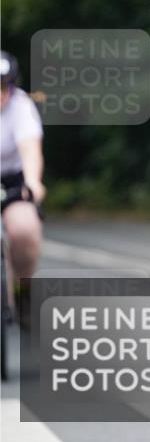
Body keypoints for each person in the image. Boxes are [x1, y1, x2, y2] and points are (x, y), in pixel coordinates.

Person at [1, 50, 45, 321]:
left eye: (2, 86)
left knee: (25, 230)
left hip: (12, 180)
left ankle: (22, 288)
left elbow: (30, 151)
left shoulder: (21, 107)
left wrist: (32, 182)